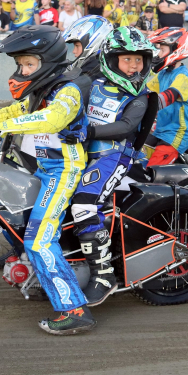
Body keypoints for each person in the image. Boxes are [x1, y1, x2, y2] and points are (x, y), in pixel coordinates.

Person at [0, 25, 95, 335]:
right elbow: (12, 111)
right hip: (46, 170)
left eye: (28, 64)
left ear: (47, 62)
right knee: (13, 220)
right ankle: (39, 273)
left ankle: (74, 309)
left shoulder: (68, 91)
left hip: (65, 172)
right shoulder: (41, 92)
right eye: (19, 64)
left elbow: (53, 119)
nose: (21, 70)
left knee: (39, 238)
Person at [70, 26, 156, 306]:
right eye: (126, 59)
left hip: (115, 156)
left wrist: (89, 133)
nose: (133, 66)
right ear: (111, 59)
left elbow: (128, 126)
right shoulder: (91, 83)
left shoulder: (140, 95)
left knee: (83, 206)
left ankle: (104, 275)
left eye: (138, 60)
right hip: (82, 154)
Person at [145, 27, 188, 166]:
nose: (158, 54)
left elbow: (165, 98)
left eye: (162, 50)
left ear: (176, 49)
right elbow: (146, 91)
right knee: (137, 154)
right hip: (162, 130)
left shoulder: (183, 75)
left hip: (178, 132)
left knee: (152, 170)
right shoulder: (163, 74)